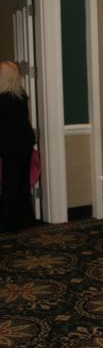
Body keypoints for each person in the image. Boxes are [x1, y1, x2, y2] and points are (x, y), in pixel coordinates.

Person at [0, 61, 36, 232]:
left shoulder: (2, 99)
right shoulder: (21, 95)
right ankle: (26, 219)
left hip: (10, 145)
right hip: (25, 142)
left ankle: (10, 223)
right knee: (22, 182)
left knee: (10, 183)